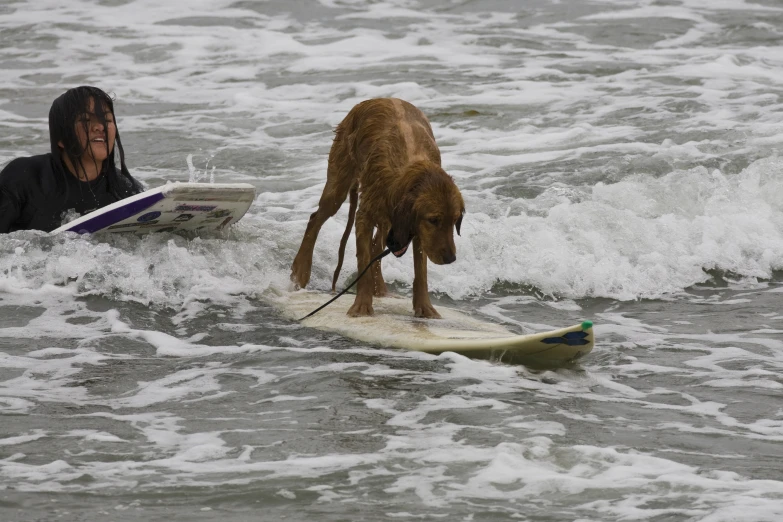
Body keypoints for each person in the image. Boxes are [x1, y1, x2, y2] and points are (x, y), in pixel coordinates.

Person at [0, 86, 144, 233]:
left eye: (107, 119)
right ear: (61, 138)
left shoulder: (125, 190)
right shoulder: (24, 178)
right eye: (86, 119)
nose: (100, 127)